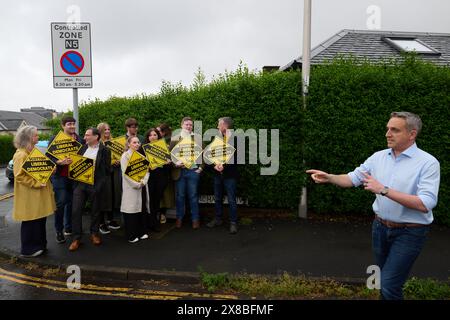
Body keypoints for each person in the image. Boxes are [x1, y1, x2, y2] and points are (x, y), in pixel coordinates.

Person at [306, 112, 440, 300]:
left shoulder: (428, 163)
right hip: (380, 228)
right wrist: (330, 177)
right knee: (385, 282)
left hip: (410, 232)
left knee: (388, 283)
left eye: (394, 130)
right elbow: (353, 178)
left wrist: (383, 190)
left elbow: (426, 203)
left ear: (412, 134)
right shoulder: (378, 157)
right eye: (387, 129)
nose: (387, 133)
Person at [12, 126, 56, 257]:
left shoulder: (31, 151)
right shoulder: (21, 155)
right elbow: (19, 176)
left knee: (39, 221)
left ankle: (40, 245)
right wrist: (36, 183)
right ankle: (29, 249)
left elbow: (39, 170)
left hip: (36, 194)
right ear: (29, 138)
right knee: (31, 221)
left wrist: (50, 170)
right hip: (30, 195)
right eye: (36, 135)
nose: (38, 137)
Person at [69, 128, 111, 251]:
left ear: (96, 137)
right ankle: (76, 238)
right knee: (76, 210)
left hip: (95, 185)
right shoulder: (82, 148)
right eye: (85, 135)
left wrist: (99, 186)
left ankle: (94, 234)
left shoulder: (105, 151)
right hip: (80, 185)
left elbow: (107, 171)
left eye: (87, 135)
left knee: (95, 211)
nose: (84, 137)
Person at [46, 116, 84, 244]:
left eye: (73, 124)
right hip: (60, 177)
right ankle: (59, 231)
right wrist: (58, 162)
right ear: (63, 126)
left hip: (74, 176)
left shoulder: (79, 139)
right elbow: (48, 156)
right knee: (61, 203)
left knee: (72, 203)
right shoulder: (55, 139)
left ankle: (69, 228)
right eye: (69, 124)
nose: (72, 126)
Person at [169, 117, 205, 229]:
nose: (189, 126)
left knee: (193, 196)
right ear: (181, 125)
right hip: (180, 171)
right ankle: (179, 218)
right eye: (186, 124)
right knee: (180, 196)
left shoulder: (198, 138)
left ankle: (195, 219)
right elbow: (170, 155)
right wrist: (175, 164)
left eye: (190, 125)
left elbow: (203, 154)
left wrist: (201, 168)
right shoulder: (175, 138)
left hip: (193, 171)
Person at [206, 117, 239, 234]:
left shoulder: (236, 139)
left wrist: (224, 166)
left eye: (219, 124)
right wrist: (214, 165)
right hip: (217, 174)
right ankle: (218, 219)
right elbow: (209, 155)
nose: (217, 127)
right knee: (218, 198)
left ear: (225, 125)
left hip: (230, 175)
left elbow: (238, 159)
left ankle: (233, 222)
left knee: (231, 199)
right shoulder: (216, 138)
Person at [121, 136, 150, 243]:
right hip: (131, 188)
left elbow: (147, 171)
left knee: (141, 210)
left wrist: (143, 182)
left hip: (142, 186)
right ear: (129, 144)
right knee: (131, 212)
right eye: (134, 142)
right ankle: (131, 235)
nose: (137, 144)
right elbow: (126, 174)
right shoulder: (125, 156)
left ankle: (141, 232)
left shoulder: (141, 156)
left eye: (138, 142)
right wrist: (136, 184)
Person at [143, 128, 171, 233]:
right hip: (150, 178)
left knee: (157, 201)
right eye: (150, 135)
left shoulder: (164, 147)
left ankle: (155, 223)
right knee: (149, 201)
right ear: (147, 137)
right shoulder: (144, 149)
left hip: (161, 178)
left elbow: (169, 167)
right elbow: (141, 165)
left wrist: (168, 162)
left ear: (158, 136)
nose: (153, 137)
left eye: (155, 135)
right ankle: (149, 222)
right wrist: (149, 166)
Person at [97, 122, 121, 234]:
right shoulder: (98, 144)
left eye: (108, 129)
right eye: (104, 130)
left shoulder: (114, 142)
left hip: (113, 173)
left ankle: (111, 220)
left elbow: (119, 155)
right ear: (100, 131)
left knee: (112, 197)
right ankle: (101, 223)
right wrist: (111, 162)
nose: (107, 131)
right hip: (102, 175)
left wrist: (118, 160)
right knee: (103, 198)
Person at [156, 123, 174, 224]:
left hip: (166, 171)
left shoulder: (171, 141)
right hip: (155, 172)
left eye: (159, 131)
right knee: (158, 195)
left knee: (165, 195)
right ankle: (158, 214)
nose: (157, 133)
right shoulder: (153, 142)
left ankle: (162, 214)